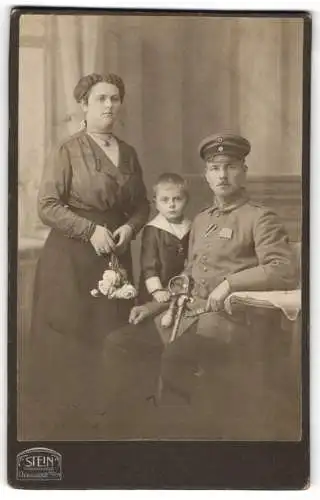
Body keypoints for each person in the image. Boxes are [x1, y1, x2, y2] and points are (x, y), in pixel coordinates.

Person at [120, 133, 299, 439]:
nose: (222, 175)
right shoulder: (202, 220)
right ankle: (134, 435)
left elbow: (282, 271)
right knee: (120, 344)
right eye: (215, 168)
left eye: (230, 167)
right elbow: (189, 276)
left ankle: (177, 443)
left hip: (229, 323)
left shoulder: (259, 219)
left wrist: (230, 283)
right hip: (186, 314)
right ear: (206, 175)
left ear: (243, 170)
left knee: (176, 357)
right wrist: (154, 305)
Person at [23, 73, 150, 439]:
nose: (109, 105)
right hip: (71, 257)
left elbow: (141, 204)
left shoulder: (128, 153)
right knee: (73, 336)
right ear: (84, 104)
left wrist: (131, 227)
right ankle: (68, 423)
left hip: (115, 253)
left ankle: (107, 422)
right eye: (100, 99)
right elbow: (47, 206)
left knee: (110, 335)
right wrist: (89, 230)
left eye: (115, 98)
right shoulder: (68, 149)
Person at [138, 172, 191, 304]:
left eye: (177, 199)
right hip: (158, 290)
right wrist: (156, 290)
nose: (171, 204)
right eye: (165, 200)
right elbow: (148, 264)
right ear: (156, 202)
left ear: (186, 200)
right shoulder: (153, 230)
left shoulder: (191, 227)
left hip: (182, 286)